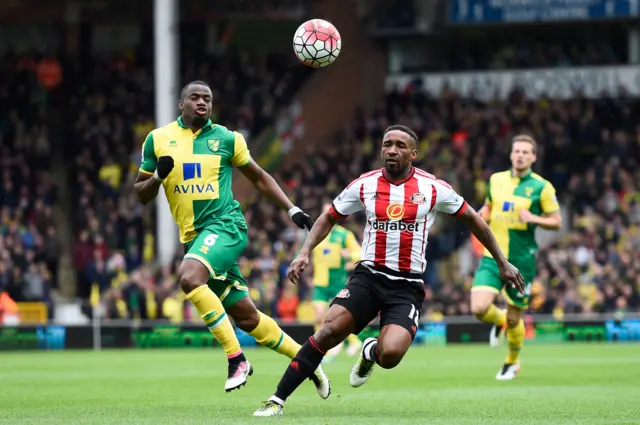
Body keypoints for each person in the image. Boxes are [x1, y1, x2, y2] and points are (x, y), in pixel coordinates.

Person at [253, 125, 525, 417]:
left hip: (407, 286)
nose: (392, 150)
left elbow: (475, 220)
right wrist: (305, 251)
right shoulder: (364, 184)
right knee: (328, 331)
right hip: (369, 277)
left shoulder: (433, 188)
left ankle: (371, 352)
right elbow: (327, 217)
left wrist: (501, 261)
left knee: (391, 354)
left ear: (413, 153)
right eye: (387, 144)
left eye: (399, 145)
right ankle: (276, 400)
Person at [134, 81, 330, 396]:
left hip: (226, 226)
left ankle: (236, 358)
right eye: (195, 98)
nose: (202, 103)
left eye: (207, 99)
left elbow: (259, 177)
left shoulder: (227, 139)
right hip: (196, 240)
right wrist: (157, 176)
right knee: (247, 316)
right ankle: (307, 361)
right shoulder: (157, 140)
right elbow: (141, 194)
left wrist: (292, 209)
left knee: (188, 277)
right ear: (181, 103)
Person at [471, 134, 561, 380]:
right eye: (516, 151)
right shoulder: (496, 180)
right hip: (495, 256)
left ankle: (512, 362)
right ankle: (498, 321)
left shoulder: (542, 187)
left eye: (525, 152)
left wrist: (534, 218)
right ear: (511, 154)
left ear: (533, 157)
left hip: (521, 260)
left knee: (515, 318)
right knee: (478, 307)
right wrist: (482, 214)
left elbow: (556, 221)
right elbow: (490, 206)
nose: (520, 155)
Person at [311, 204, 363, 360]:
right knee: (319, 316)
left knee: (339, 317)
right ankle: (322, 346)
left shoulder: (344, 235)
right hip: (320, 280)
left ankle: (353, 341)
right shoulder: (317, 232)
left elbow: (359, 254)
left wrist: (348, 256)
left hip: (337, 280)